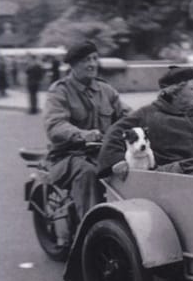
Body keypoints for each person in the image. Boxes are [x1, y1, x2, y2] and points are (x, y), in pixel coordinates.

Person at [43, 40, 130, 225]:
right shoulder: (60, 91)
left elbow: (126, 116)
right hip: (67, 157)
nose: (92, 64)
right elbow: (55, 125)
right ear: (73, 65)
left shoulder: (105, 90)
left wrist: (147, 120)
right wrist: (81, 134)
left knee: (133, 166)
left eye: (94, 58)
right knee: (88, 173)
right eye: (85, 60)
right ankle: (90, 229)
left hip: (101, 153)